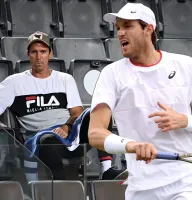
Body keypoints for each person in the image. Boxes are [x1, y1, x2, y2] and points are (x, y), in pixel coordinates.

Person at [88, 3, 192, 200]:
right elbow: (95, 133)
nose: (120, 33)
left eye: (128, 26)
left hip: (187, 181)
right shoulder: (111, 74)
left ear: (149, 29)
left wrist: (185, 121)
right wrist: (130, 145)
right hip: (140, 186)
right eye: (118, 28)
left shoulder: (186, 66)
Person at [0, 31, 126, 180]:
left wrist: (66, 127)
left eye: (43, 51)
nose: (39, 57)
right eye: (34, 52)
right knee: (49, 141)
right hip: (41, 140)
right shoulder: (13, 82)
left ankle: (106, 171)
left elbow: (77, 112)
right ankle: (61, 186)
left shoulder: (65, 79)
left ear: (50, 54)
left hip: (70, 136)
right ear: (28, 54)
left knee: (101, 112)